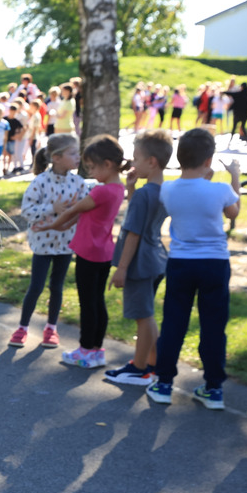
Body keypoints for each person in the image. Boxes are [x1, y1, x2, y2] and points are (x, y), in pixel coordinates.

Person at [146, 128, 241, 408]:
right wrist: (235, 176)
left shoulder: (168, 189)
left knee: (174, 322)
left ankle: (164, 382)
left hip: (181, 262)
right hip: (215, 263)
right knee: (213, 326)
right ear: (209, 160)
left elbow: (190, 197)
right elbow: (233, 212)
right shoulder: (220, 190)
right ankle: (213, 388)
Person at [35, 135, 128, 369]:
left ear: (107, 164)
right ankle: (96, 350)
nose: (91, 173)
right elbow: (81, 215)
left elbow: (71, 212)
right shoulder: (118, 188)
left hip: (89, 253)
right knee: (98, 301)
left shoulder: (100, 192)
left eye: (93, 168)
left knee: (87, 304)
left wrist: (48, 226)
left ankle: (85, 350)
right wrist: (61, 226)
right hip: (104, 253)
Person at [104, 130, 174, 386]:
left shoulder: (146, 194)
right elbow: (142, 215)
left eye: (136, 158)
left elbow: (133, 231)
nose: (132, 163)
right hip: (156, 258)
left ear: (151, 161)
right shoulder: (162, 190)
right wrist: (131, 188)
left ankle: (140, 367)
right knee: (147, 313)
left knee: (144, 316)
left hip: (139, 262)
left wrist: (121, 268)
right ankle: (150, 363)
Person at [8, 134, 87, 351]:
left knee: (57, 287)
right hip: (42, 245)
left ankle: (51, 328)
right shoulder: (40, 182)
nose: (78, 157)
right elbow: (27, 211)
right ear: (57, 157)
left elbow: (85, 210)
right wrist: (52, 208)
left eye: (77, 152)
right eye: (73, 153)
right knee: (36, 286)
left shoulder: (79, 183)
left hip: (66, 245)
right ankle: (22, 328)